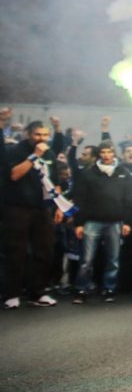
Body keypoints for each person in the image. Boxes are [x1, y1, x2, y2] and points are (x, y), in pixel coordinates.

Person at [2, 120, 64, 308]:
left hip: (43, 208)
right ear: (28, 134)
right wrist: (34, 156)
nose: (42, 139)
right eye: (37, 134)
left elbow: (55, 183)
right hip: (18, 208)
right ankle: (11, 294)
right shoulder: (14, 151)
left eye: (45, 135)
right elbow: (14, 174)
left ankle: (38, 292)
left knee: (44, 251)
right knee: (16, 252)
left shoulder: (50, 152)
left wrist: (59, 206)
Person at [71, 141, 132, 303]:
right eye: (103, 152)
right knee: (86, 259)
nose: (106, 155)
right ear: (99, 154)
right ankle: (81, 289)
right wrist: (78, 223)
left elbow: (129, 200)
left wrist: (127, 222)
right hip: (92, 221)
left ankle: (109, 288)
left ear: (114, 154)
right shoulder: (89, 173)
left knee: (113, 259)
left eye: (109, 152)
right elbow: (80, 200)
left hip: (116, 221)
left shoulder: (124, 173)